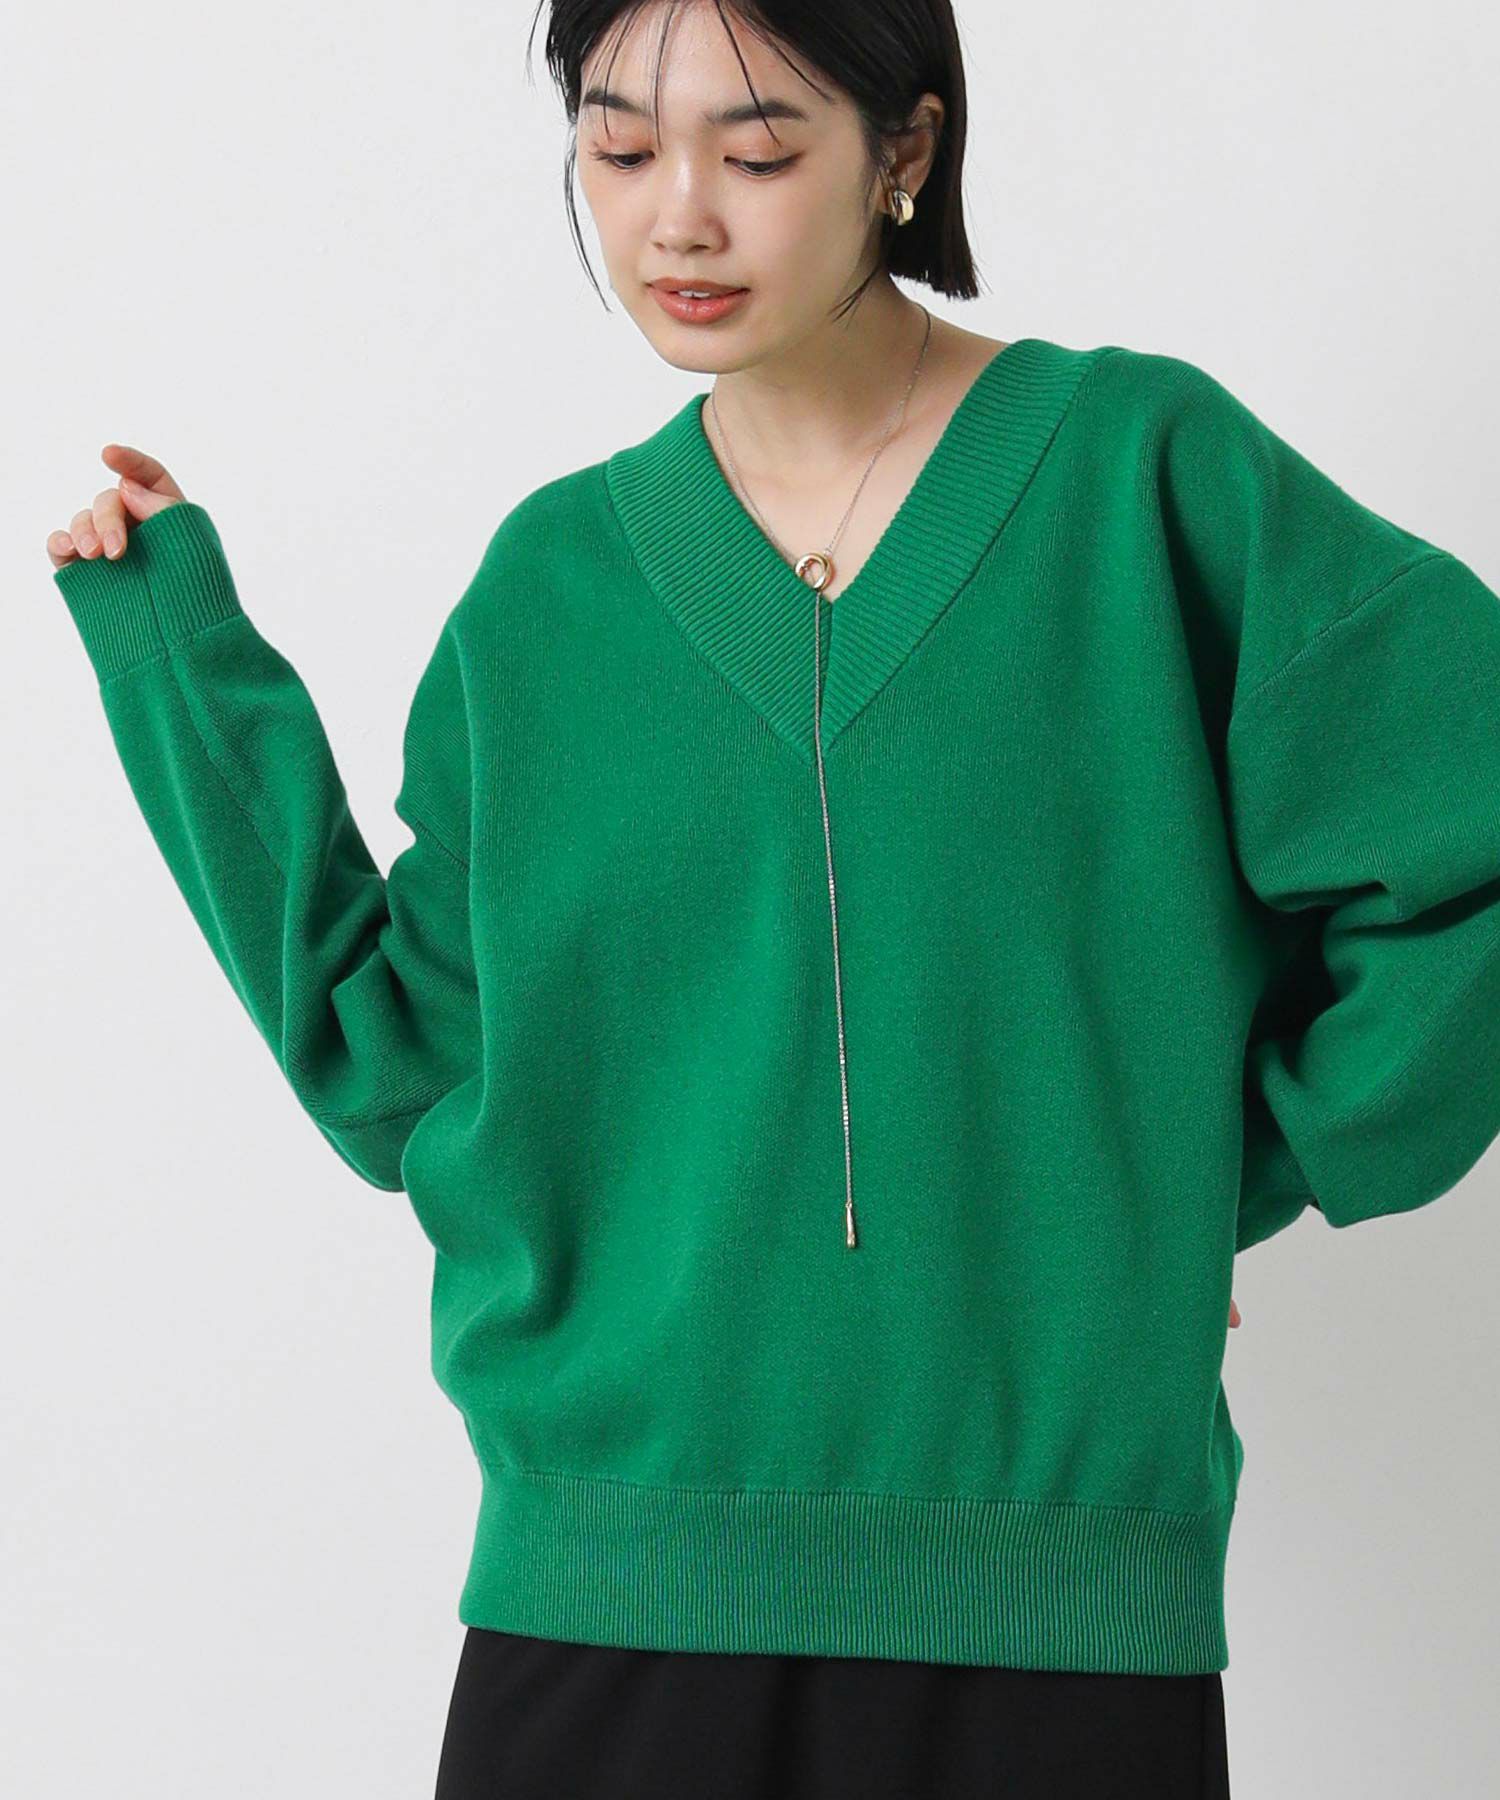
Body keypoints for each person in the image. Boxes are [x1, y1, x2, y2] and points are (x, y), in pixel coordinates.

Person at [45, 3, 1500, 1796]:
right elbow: (396, 1060)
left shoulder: (1144, 477)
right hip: (604, 1609)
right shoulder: (549, 591)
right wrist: (180, 663)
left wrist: (1196, 1167)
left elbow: (1470, 827)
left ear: (906, 152)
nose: (677, 216)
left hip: (1059, 1637)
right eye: (616, 145)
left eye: (754, 150)